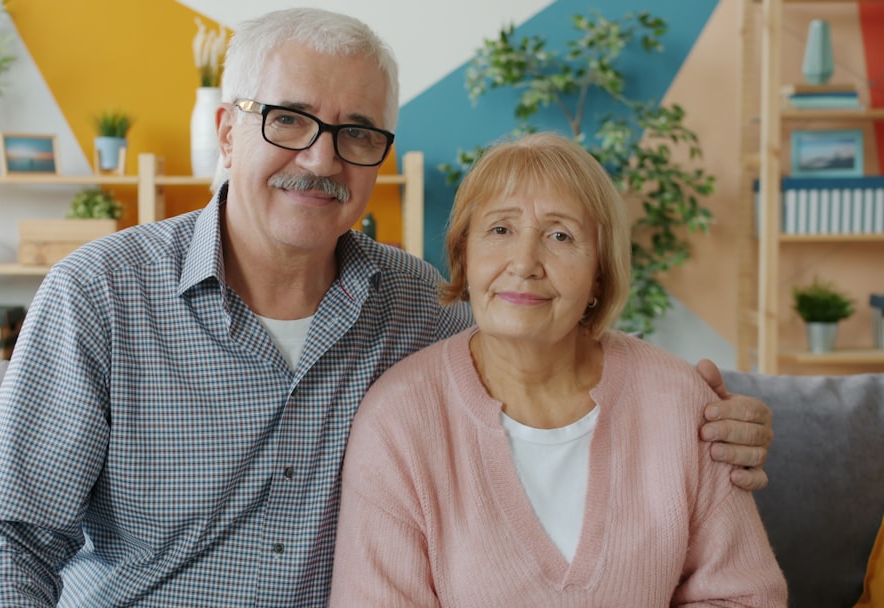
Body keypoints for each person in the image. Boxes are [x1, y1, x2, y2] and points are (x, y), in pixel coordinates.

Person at [0, 8, 775, 607]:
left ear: (379, 158)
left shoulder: (415, 304)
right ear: (227, 132)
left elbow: (538, 331)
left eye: (356, 133)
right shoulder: (102, 297)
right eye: (289, 120)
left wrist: (701, 413)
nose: (321, 158)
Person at [328, 133, 787, 606]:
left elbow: (745, 596)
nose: (525, 263)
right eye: (501, 230)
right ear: (465, 256)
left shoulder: (680, 401)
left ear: (599, 275)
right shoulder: (399, 419)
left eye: (560, 236)